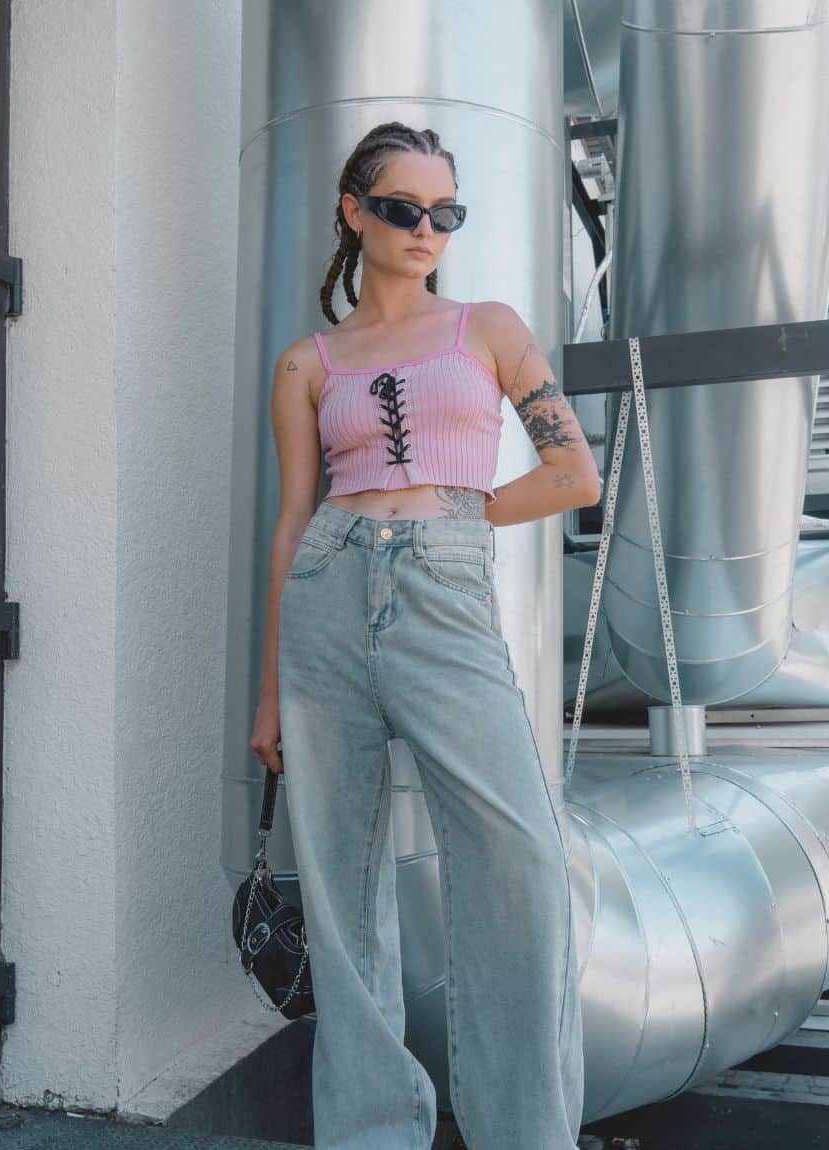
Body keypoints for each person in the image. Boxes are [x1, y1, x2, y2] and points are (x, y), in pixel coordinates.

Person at [251, 120, 600, 1150]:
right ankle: (370, 1132)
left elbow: (572, 472)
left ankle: (525, 1132)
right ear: (355, 213)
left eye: (445, 212)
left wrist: (458, 520)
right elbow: (291, 519)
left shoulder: (487, 327)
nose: (426, 228)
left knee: (522, 861)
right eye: (403, 208)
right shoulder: (306, 362)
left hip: (445, 592)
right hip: (323, 596)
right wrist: (268, 688)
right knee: (340, 883)